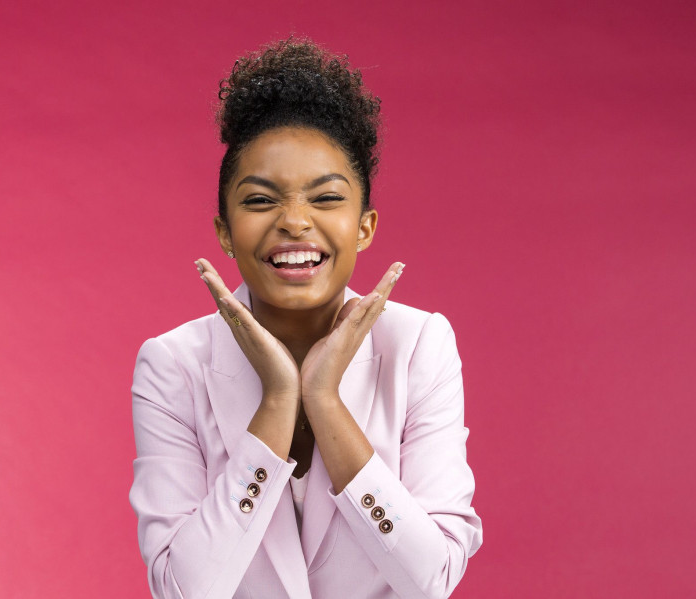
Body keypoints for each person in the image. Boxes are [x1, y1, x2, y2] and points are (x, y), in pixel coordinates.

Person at [129, 37, 482, 599]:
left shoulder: (419, 345)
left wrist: (324, 400)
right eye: (260, 200)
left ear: (364, 227)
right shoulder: (172, 365)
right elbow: (181, 589)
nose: (295, 221)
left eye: (326, 198)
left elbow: (431, 581)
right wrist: (278, 402)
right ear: (224, 232)